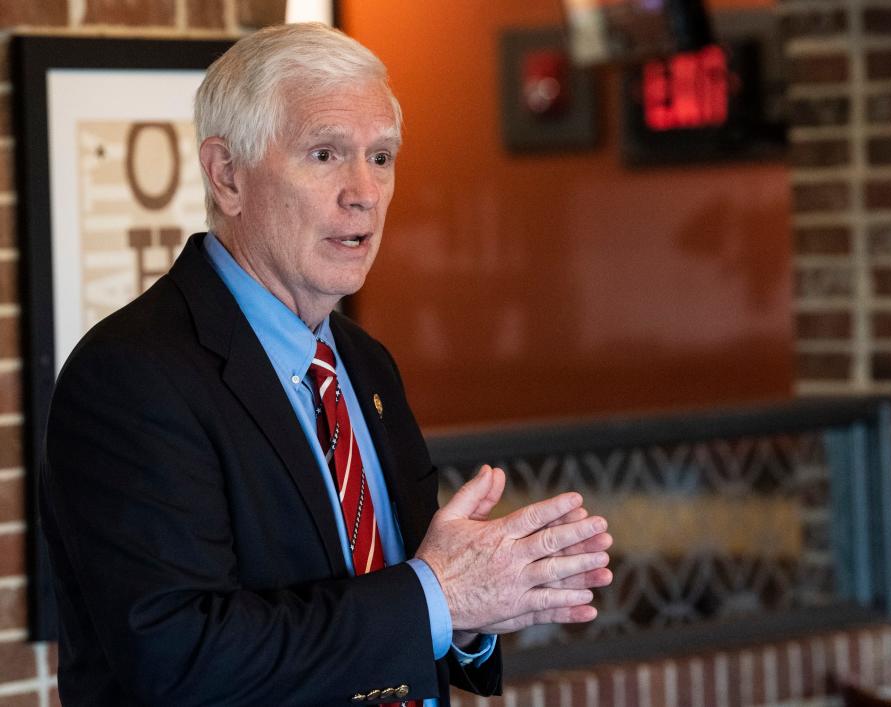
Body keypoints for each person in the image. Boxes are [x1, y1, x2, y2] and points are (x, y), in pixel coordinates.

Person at [40, 22, 613, 707]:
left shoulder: (364, 365)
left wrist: (474, 607)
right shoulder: (132, 375)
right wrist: (438, 594)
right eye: (324, 153)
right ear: (227, 176)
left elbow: (406, 602)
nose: (364, 191)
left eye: (381, 156)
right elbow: (181, 659)